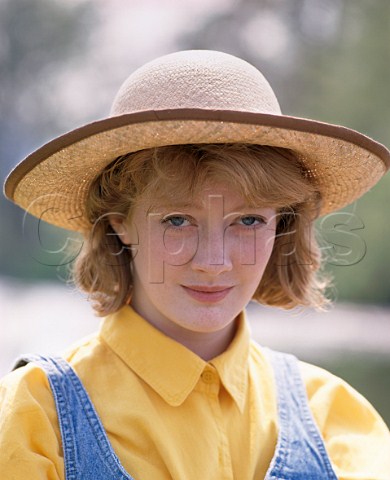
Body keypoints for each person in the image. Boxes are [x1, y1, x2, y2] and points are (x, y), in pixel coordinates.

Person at [1, 50, 389, 479]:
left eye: (248, 220)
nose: (213, 261)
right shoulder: (38, 417)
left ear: (282, 225)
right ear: (120, 224)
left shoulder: (335, 419)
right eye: (177, 220)